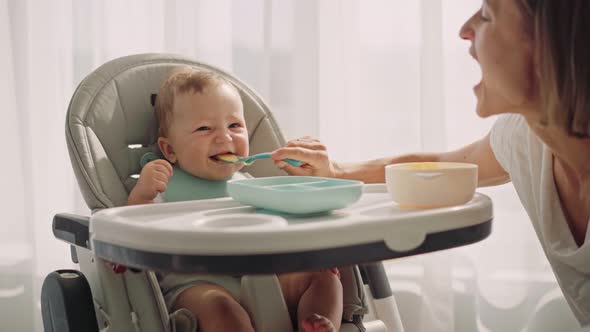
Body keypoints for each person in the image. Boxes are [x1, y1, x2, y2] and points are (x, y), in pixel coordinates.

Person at [271, 0, 590, 326]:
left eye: (487, 15)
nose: (465, 29)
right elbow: (439, 165)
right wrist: (336, 172)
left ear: (548, 42)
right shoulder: (525, 138)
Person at [127, 68, 343, 332]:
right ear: (170, 149)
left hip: (264, 276)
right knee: (222, 310)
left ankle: (317, 325)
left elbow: (286, 227)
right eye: (204, 128)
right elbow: (127, 231)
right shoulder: (163, 182)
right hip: (199, 283)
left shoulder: (250, 184)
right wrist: (142, 195)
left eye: (235, 125)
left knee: (324, 277)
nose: (225, 137)